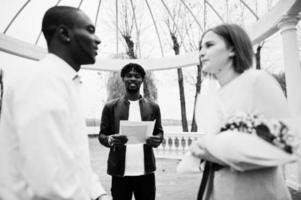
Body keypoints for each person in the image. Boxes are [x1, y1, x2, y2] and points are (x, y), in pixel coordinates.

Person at [0, 6, 110, 200]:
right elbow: (52, 186)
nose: (98, 39)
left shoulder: (64, 81)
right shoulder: (42, 81)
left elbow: (76, 162)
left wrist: (99, 195)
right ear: (65, 34)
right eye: (90, 30)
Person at [190, 24, 297, 200]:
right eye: (200, 47)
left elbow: (286, 143)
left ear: (232, 49)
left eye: (209, 45)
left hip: (257, 192)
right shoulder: (214, 96)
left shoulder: (257, 81)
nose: (201, 53)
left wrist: (213, 151)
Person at [98, 63, 164, 200]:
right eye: (129, 76)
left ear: (142, 80)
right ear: (123, 79)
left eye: (137, 76)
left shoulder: (153, 107)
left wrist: (157, 139)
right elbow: (102, 135)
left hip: (146, 173)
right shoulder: (110, 107)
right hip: (120, 174)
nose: (133, 79)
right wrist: (110, 139)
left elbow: (159, 133)